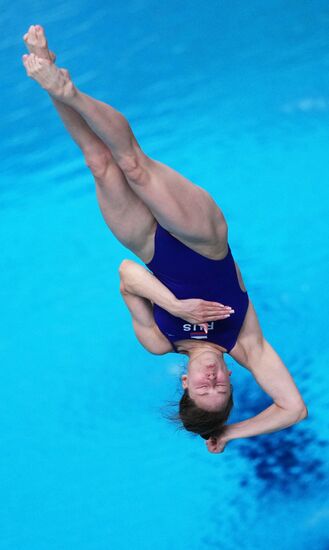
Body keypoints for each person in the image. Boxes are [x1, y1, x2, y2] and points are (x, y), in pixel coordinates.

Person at [22, 25, 308, 453]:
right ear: (231, 380)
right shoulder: (246, 344)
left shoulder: (160, 340)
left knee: (99, 163)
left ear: (186, 382)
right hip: (204, 240)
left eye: (202, 390)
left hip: (147, 247)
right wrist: (226, 432)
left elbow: (126, 273)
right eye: (220, 390)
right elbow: (293, 410)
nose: (211, 381)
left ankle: (47, 70)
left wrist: (174, 306)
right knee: (133, 165)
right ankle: (70, 91)